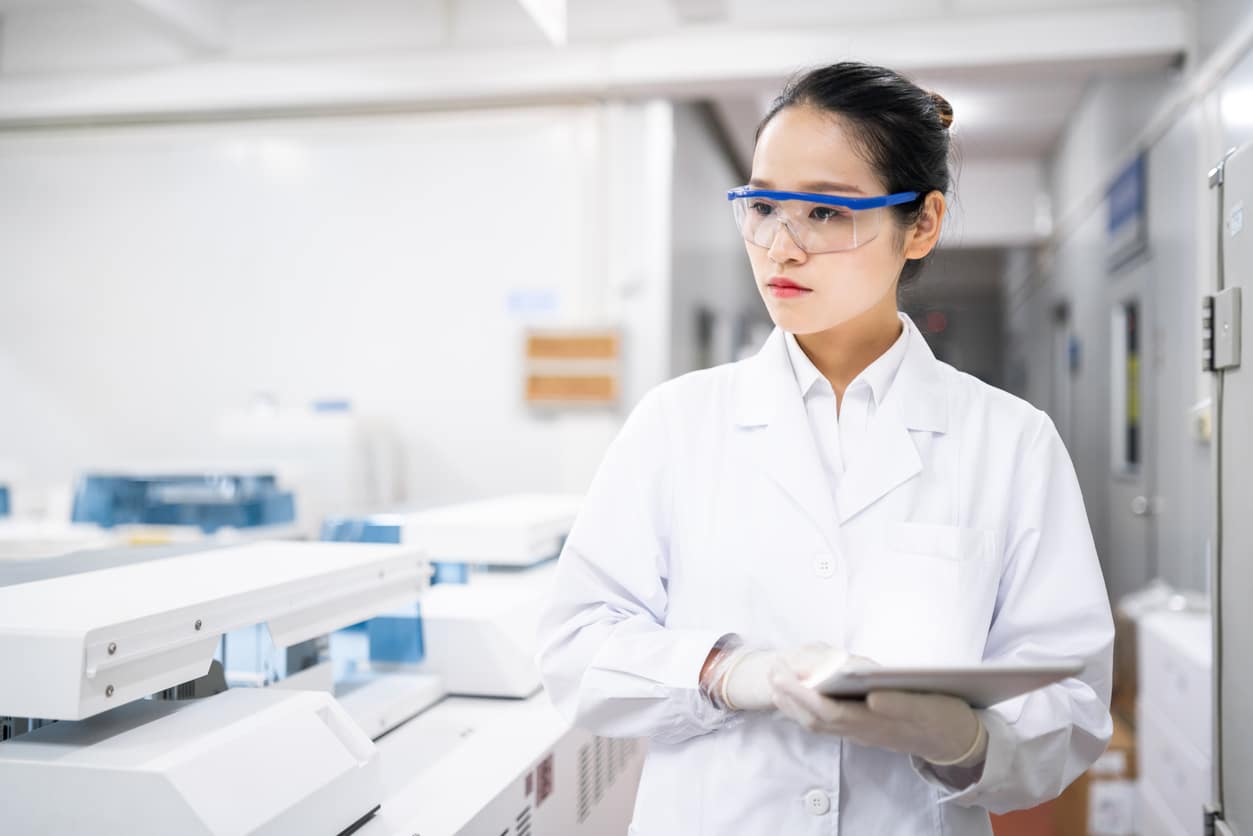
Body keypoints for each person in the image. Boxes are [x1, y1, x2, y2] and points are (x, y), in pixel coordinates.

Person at [536, 61, 1114, 835]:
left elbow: (1072, 708)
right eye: (764, 205)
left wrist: (966, 743)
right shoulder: (674, 424)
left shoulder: (1009, 442)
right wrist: (726, 673)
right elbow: (576, 650)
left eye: (825, 213)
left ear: (922, 224)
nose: (780, 247)